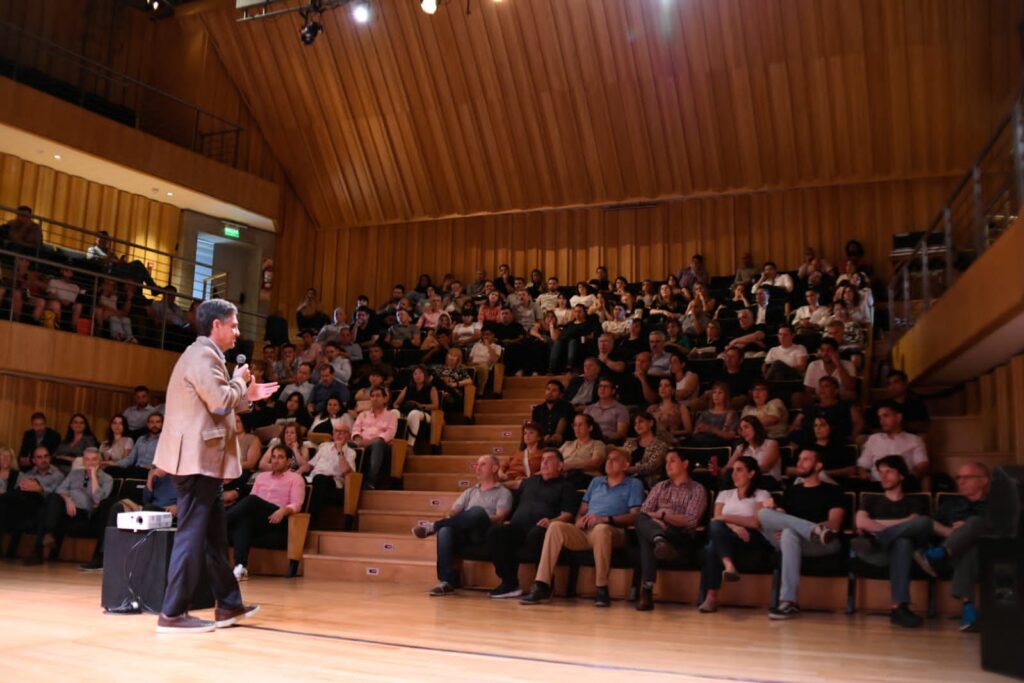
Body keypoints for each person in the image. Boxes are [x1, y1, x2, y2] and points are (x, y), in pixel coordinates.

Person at [152, 299, 278, 633]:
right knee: (192, 535)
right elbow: (221, 401)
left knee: (212, 535)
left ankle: (228, 603)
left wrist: (246, 393)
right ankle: (173, 612)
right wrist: (240, 383)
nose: (238, 331)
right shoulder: (203, 356)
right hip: (196, 462)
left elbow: (222, 399)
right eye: (233, 325)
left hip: (202, 460)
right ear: (216, 326)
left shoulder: (203, 355)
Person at [520, 448, 644, 607]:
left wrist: (606, 519)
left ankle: (601, 588)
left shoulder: (634, 484)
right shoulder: (596, 481)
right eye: (608, 459)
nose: (609, 462)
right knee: (556, 526)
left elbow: (635, 515)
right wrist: (578, 520)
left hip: (614, 530)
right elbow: (582, 510)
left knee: (601, 529)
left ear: (626, 465)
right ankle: (542, 584)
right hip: (586, 531)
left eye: (614, 459)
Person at [757, 448, 845, 619]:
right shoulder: (792, 490)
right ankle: (788, 603)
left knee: (790, 532)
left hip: (824, 542)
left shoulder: (833, 491)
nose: (799, 463)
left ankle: (788, 602)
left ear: (818, 465)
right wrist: (778, 521)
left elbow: (834, 524)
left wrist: (790, 528)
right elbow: (782, 515)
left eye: (806, 459)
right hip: (794, 539)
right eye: (799, 459)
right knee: (763, 514)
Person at [413, 454, 513, 596]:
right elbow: (453, 512)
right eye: (476, 465)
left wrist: (478, 516)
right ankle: (446, 582)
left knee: (477, 512)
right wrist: (456, 518)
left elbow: (499, 517)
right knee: (445, 530)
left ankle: (433, 527)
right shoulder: (470, 491)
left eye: (482, 464)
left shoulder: (503, 493)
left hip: (484, 532)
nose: (477, 468)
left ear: (495, 468)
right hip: (465, 532)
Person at [485, 450, 579, 599]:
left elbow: (568, 515)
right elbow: (514, 494)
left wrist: (552, 522)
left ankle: (543, 585)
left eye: (549, 459)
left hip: (544, 529)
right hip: (519, 528)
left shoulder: (566, 487)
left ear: (560, 465)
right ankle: (509, 583)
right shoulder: (529, 482)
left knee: (537, 534)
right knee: (496, 531)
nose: (544, 463)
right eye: (542, 460)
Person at [851, 455, 932, 628]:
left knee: (910, 535)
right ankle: (900, 608)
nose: (884, 476)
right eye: (880, 473)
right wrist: (905, 522)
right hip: (877, 553)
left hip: (893, 549)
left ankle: (898, 608)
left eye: (889, 472)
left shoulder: (914, 502)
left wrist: (877, 527)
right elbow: (860, 523)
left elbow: (917, 523)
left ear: (902, 475)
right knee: (905, 537)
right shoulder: (871, 499)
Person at [914, 462, 991, 632]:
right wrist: (952, 533)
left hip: (989, 555)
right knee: (968, 548)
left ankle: (940, 554)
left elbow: (1006, 529)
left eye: (967, 477)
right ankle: (968, 608)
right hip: (957, 556)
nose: (961, 482)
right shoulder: (951, 504)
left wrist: (968, 528)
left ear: (984, 480)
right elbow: (931, 524)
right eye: (958, 478)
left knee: (976, 523)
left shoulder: (996, 504)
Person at [634, 450, 708, 611]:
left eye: (672, 460)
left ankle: (646, 590)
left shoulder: (697, 489)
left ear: (685, 464)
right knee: (641, 521)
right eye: (666, 461)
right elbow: (644, 512)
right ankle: (659, 540)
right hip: (657, 529)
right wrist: (658, 522)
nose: (667, 465)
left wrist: (663, 516)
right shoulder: (660, 486)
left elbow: (690, 520)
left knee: (647, 533)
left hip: (680, 536)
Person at [698, 456, 772, 613]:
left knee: (713, 545)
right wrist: (734, 527)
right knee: (714, 537)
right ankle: (728, 566)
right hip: (727, 535)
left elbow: (755, 522)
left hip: (751, 538)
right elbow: (716, 520)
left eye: (739, 470)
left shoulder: (762, 494)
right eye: (733, 470)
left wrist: (727, 519)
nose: (734, 474)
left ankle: (711, 597)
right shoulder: (725, 494)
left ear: (751, 473)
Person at [27, 447, 112, 565]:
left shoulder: (107, 479)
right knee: (52, 499)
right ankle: (46, 538)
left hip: (85, 515)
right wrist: (67, 500)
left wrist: (93, 476)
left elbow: (97, 498)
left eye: (94, 459)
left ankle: (46, 539)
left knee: (45, 512)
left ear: (100, 462)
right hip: (68, 511)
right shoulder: (74, 474)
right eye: (87, 459)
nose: (90, 463)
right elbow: (60, 489)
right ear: (83, 461)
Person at [2, 447, 65, 559]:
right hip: (28, 507)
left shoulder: (58, 475)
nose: (43, 460)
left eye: (46, 456)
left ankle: (38, 550)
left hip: (49, 508)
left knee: (42, 505)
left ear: (50, 458)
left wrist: (40, 489)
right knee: (12, 499)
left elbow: (58, 496)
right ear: (34, 460)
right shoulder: (27, 475)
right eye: (39, 457)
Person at [857, 402, 929, 488]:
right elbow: (863, 464)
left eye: (886, 416)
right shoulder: (873, 439)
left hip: (903, 485)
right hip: (877, 484)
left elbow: (922, 464)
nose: (882, 421)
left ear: (898, 417)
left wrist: (912, 476)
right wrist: (862, 472)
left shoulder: (915, 440)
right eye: (880, 417)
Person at [298, 424, 356, 528]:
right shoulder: (324, 448)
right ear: (332, 434)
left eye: (342, 432)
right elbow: (310, 465)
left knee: (319, 478)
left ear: (348, 435)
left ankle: (312, 521)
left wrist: (339, 450)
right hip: (313, 479)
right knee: (297, 480)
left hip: (332, 484)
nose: (339, 434)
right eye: (336, 431)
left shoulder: (351, 452)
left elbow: (345, 471)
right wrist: (294, 474)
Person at [351, 386, 399, 489]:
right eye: (372, 396)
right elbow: (355, 429)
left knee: (377, 443)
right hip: (362, 443)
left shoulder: (391, 415)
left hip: (381, 446)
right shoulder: (362, 415)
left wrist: (370, 442)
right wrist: (358, 439)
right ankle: (347, 481)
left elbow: (390, 433)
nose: (375, 398)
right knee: (346, 444)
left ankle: (370, 481)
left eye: (378, 396)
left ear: (385, 399)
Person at [726, 416, 781, 486]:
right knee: (728, 475)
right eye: (741, 429)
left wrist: (743, 474)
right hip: (746, 480)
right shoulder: (740, 448)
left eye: (746, 427)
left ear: (756, 427)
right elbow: (728, 467)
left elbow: (765, 467)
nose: (743, 432)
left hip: (768, 479)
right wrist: (717, 471)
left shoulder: (771, 444)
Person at [393, 365, 439, 448]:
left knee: (414, 413)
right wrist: (399, 409)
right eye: (415, 374)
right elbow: (396, 403)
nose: (418, 376)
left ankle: (410, 444)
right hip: (407, 411)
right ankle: (393, 442)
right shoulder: (408, 388)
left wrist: (421, 406)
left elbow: (435, 405)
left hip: (424, 413)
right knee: (393, 412)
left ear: (425, 375)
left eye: (420, 373)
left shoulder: (431, 388)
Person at [622, 411, 670, 488]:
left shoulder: (660, 445)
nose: (637, 425)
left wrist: (630, 469)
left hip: (647, 483)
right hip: (625, 479)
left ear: (651, 423)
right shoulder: (630, 442)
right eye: (635, 424)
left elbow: (651, 466)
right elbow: (621, 458)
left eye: (641, 421)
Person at [559, 414, 607, 489]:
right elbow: (554, 458)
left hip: (585, 476)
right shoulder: (567, 444)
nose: (577, 428)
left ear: (590, 428)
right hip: (564, 474)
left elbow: (596, 463)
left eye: (580, 425)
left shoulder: (597, 444)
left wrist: (569, 466)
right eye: (575, 425)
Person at [690, 382, 739, 447]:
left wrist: (711, 430)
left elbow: (731, 436)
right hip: (702, 443)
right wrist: (699, 429)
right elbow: (695, 433)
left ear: (726, 395)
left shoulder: (730, 414)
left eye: (720, 393)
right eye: (714, 392)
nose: (716, 395)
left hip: (720, 445)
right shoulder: (704, 413)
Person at [115, 412, 163, 479]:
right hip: (136, 469)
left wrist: (154, 466)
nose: (154, 425)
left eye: (158, 422)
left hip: (151, 471)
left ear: (162, 424)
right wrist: (113, 463)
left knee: (134, 473)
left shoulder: (165, 441)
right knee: (111, 470)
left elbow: (166, 462)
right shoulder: (141, 439)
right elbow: (130, 459)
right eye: (151, 422)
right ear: (147, 424)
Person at [499, 422, 544, 490]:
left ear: (539, 437)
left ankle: (499, 486)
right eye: (525, 433)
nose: (527, 435)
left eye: (531, 433)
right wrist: (501, 473)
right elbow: (503, 465)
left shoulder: (543, 454)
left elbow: (545, 470)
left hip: (522, 484)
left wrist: (530, 478)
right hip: (507, 479)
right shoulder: (517, 453)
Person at [583, 378, 630, 443]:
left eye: (606, 386)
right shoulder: (589, 409)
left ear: (613, 391)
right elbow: (583, 427)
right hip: (589, 441)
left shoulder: (621, 409)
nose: (602, 389)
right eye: (600, 386)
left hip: (609, 442)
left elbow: (621, 433)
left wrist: (603, 438)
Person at [531, 380, 574, 447]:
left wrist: (557, 434)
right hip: (543, 444)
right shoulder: (538, 409)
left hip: (564, 445)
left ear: (561, 394)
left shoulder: (567, 406)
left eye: (554, 391)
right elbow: (535, 429)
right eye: (548, 389)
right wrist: (542, 439)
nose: (550, 393)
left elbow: (564, 419)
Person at [648, 377, 693, 441]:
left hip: (672, 441)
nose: (662, 388)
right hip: (653, 440)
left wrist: (675, 432)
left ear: (673, 390)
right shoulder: (652, 408)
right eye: (660, 386)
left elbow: (689, 430)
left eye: (666, 386)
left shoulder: (681, 407)